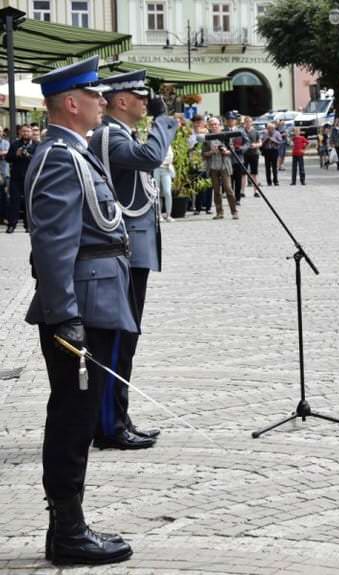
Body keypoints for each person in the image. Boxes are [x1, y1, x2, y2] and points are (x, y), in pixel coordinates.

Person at [27, 55, 136, 566]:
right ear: (71, 103)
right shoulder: (58, 157)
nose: (102, 101)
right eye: (94, 94)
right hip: (82, 308)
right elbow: (53, 246)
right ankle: (68, 533)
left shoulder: (74, 152)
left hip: (97, 301)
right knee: (72, 419)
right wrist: (64, 316)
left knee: (79, 415)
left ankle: (69, 527)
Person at [88, 70, 178, 449]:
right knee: (118, 342)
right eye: (141, 97)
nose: (147, 102)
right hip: (121, 253)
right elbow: (152, 157)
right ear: (121, 100)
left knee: (127, 340)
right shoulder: (110, 135)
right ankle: (109, 426)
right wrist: (164, 119)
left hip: (132, 252)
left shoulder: (120, 134)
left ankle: (119, 417)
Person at [203, 116, 239, 219]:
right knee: (216, 191)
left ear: (219, 125)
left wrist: (225, 151)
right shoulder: (207, 137)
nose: (214, 126)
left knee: (228, 189)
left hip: (224, 166)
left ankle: (234, 211)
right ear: (209, 126)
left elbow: (231, 150)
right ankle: (219, 212)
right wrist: (212, 152)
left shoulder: (225, 135)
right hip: (213, 167)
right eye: (212, 124)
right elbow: (204, 154)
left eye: (216, 124)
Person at [6, 124, 36, 233]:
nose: (25, 133)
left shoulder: (36, 145)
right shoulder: (15, 144)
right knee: (14, 201)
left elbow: (38, 160)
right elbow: (8, 158)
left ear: (31, 133)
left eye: (28, 131)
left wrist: (28, 155)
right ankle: (11, 225)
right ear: (20, 132)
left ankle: (28, 225)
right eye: (23, 131)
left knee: (29, 202)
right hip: (16, 177)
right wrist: (16, 154)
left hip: (30, 177)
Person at [225, 111, 249, 204]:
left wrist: (242, 148)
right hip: (227, 159)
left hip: (238, 158)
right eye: (229, 120)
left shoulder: (240, 131)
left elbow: (247, 142)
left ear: (235, 121)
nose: (230, 121)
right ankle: (230, 198)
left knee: (238, 179)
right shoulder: (224, 130)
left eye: (232, 120)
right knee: (228, 181)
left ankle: (238, 198)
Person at [154, 143, 175, 222]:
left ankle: (168, 215)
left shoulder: (168, 144)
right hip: (156, 169)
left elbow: (170, 156)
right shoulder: (155, 144)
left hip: (166, 169)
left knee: (167, 192)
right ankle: (159, 215)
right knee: (157, 192)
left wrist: (162, 161)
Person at [242, 115, 261, 195]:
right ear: (244, 123)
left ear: (252, 122)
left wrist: (256, 145)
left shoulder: (256, 132)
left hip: (254, 154)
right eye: (246, 122)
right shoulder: (242, 131)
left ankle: (256, 191)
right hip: (244, 154)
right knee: (243, 173)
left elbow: (260, 142)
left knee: (254, 173)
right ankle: (242, 191)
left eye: (249, 122)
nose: (248, 123)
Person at [0, 127, 8, 225]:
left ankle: (3, 217)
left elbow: (8, 152)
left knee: (4, 196)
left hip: (4, 172)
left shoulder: (6, 143)